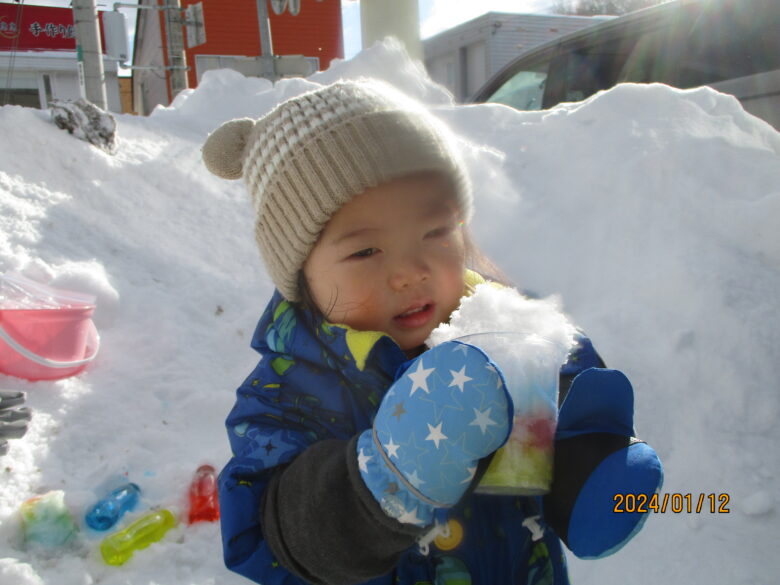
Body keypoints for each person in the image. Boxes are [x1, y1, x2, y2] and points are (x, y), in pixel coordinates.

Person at [202, 79, 662, 585]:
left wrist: (591, 465)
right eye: (365, 251)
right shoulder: (286, 393)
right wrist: (381, 480)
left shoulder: (511, 331)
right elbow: (274, 537)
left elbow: (568, 409)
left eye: (435, 232)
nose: (410, 272)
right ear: (302, 276)